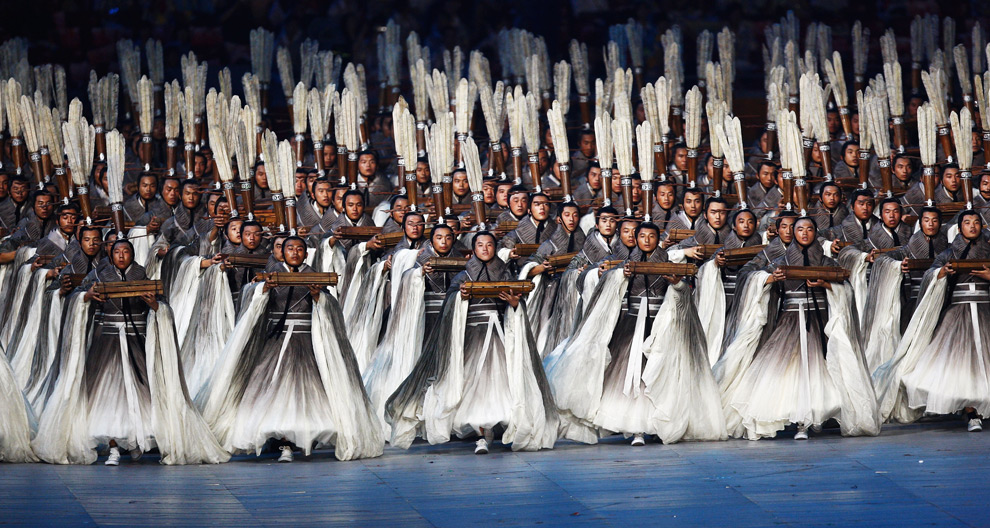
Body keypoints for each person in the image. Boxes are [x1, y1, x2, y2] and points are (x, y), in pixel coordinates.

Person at [32, 239, 229, 465]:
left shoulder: (141, 276)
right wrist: (86, 297)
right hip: (106, 343)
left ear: (132, 255)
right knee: (107, 396)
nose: (121, 255)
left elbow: (163, 305)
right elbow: (75, 297)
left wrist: (155, 306)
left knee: (141, 394)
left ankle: (136, 440)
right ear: (111, 254)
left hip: (137, 342)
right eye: (117, 251)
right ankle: (114, 447)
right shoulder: (98, 275)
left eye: (126, 251)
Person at [200, 236, 384, 462]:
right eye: (290, 248)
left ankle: (301, 439)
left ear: (306, 254)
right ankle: (284, 442)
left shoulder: (314, 276)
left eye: (299, 249)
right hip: (275, 341)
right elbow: (250, 296)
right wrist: (264, 290)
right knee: (271, 390)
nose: (294, 252)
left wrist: (317, 297)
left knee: (310, 392)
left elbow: (331, 307)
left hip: (306, 342)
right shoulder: (271, 274)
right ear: (282, 252)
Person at [545, 222, 726, 446]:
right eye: (642, 236)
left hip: (662, 324)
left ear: (658, 239)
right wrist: (618, 275)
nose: (647, 240)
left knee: (661, 373)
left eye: (651, 236)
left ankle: (660, 424)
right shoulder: (625, 263)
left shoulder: (669, 264)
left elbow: (686, 293)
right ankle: (637, 429)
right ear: (637, 239)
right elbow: (590, 280)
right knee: (632, 376)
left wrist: (677, 285)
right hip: (631, 323)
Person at [387, 231, 558, 454]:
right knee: (471, 386)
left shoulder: (507, 273)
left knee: (504, 384)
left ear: (495, 248)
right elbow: (450, 301)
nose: (485, 249)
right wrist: (460, 298)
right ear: (474, 249)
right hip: (472, 336)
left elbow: (518, 301)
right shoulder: (464, 275)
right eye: (480, 245)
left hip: (500, 335)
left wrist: (515, 303)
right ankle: (481, 434)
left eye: (489, 245)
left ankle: (500, 429)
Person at [715, 217, 880, 441]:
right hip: (790, 320)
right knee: (791, 371)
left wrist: (825, 284)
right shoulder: (781, 261)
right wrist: (769, 278)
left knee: (823, 369)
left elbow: (846, 288)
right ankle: (801, 422)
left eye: (809, 229)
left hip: (819, 320)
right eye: (800, 229)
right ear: (794, 233)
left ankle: (816, 416)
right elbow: (748, 276)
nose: (804, 233)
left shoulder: (826, 262)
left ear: (815, 233)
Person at [874, 211, 990, 430]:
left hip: (985, 308)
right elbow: (930, 275)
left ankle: (981, 407)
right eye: (967, 223)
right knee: (961, 364)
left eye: (976, 222)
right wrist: (942, 274)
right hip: (958, 312)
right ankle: (971, 411)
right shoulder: (949, 253)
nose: (972, 226)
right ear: (959, 228)